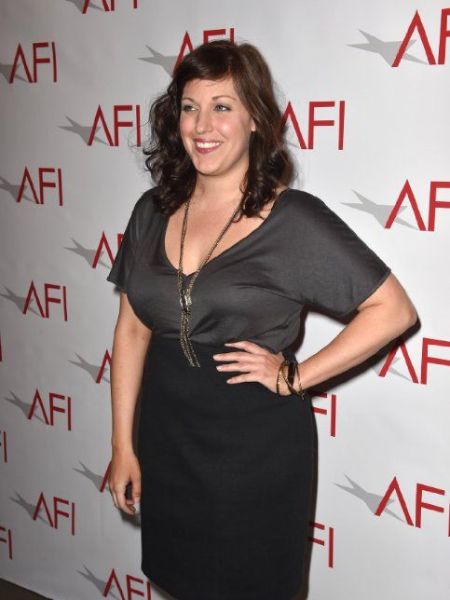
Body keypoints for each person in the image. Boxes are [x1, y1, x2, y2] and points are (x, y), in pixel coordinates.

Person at [106, 39, 417, 600]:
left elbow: (392, 310)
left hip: (255, 449)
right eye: (190, 107)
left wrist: (294, 376)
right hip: (168, 439)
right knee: (179, 583)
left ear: (254, 119)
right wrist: (122, 445)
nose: (203, 125)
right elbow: (131, 329)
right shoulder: (151, 211)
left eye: (222, 106)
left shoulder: (291, 219)